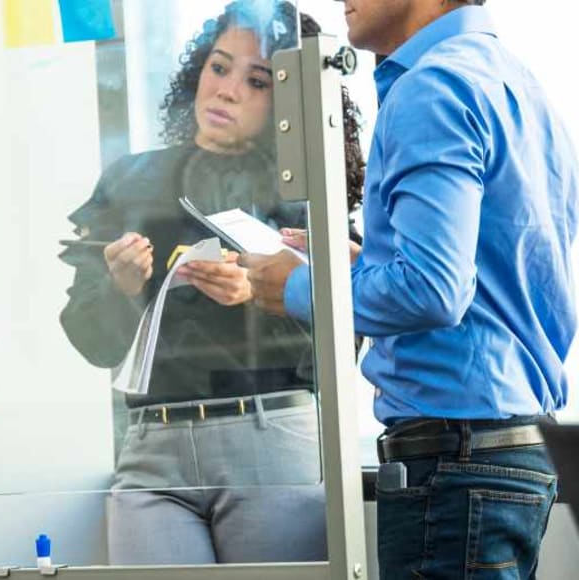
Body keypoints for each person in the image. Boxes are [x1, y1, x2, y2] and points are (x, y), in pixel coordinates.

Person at [243, 1, 575, 578]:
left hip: (456, 463)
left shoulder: (433, 87)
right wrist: (365, 265)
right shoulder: (513, 80)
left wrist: (302, 289)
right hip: (509, 450)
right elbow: (493, 273)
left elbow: (432, 289)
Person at [59, 1, 366, 565]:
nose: (226, 90)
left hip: (272, 440)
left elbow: (347, 342)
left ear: (288, 100)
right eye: (219, 67)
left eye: (257, 81)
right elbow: (90, 341)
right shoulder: (131, 180)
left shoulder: (306, 191)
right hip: (150, 446)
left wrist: (265, 296)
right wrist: (122, 289)